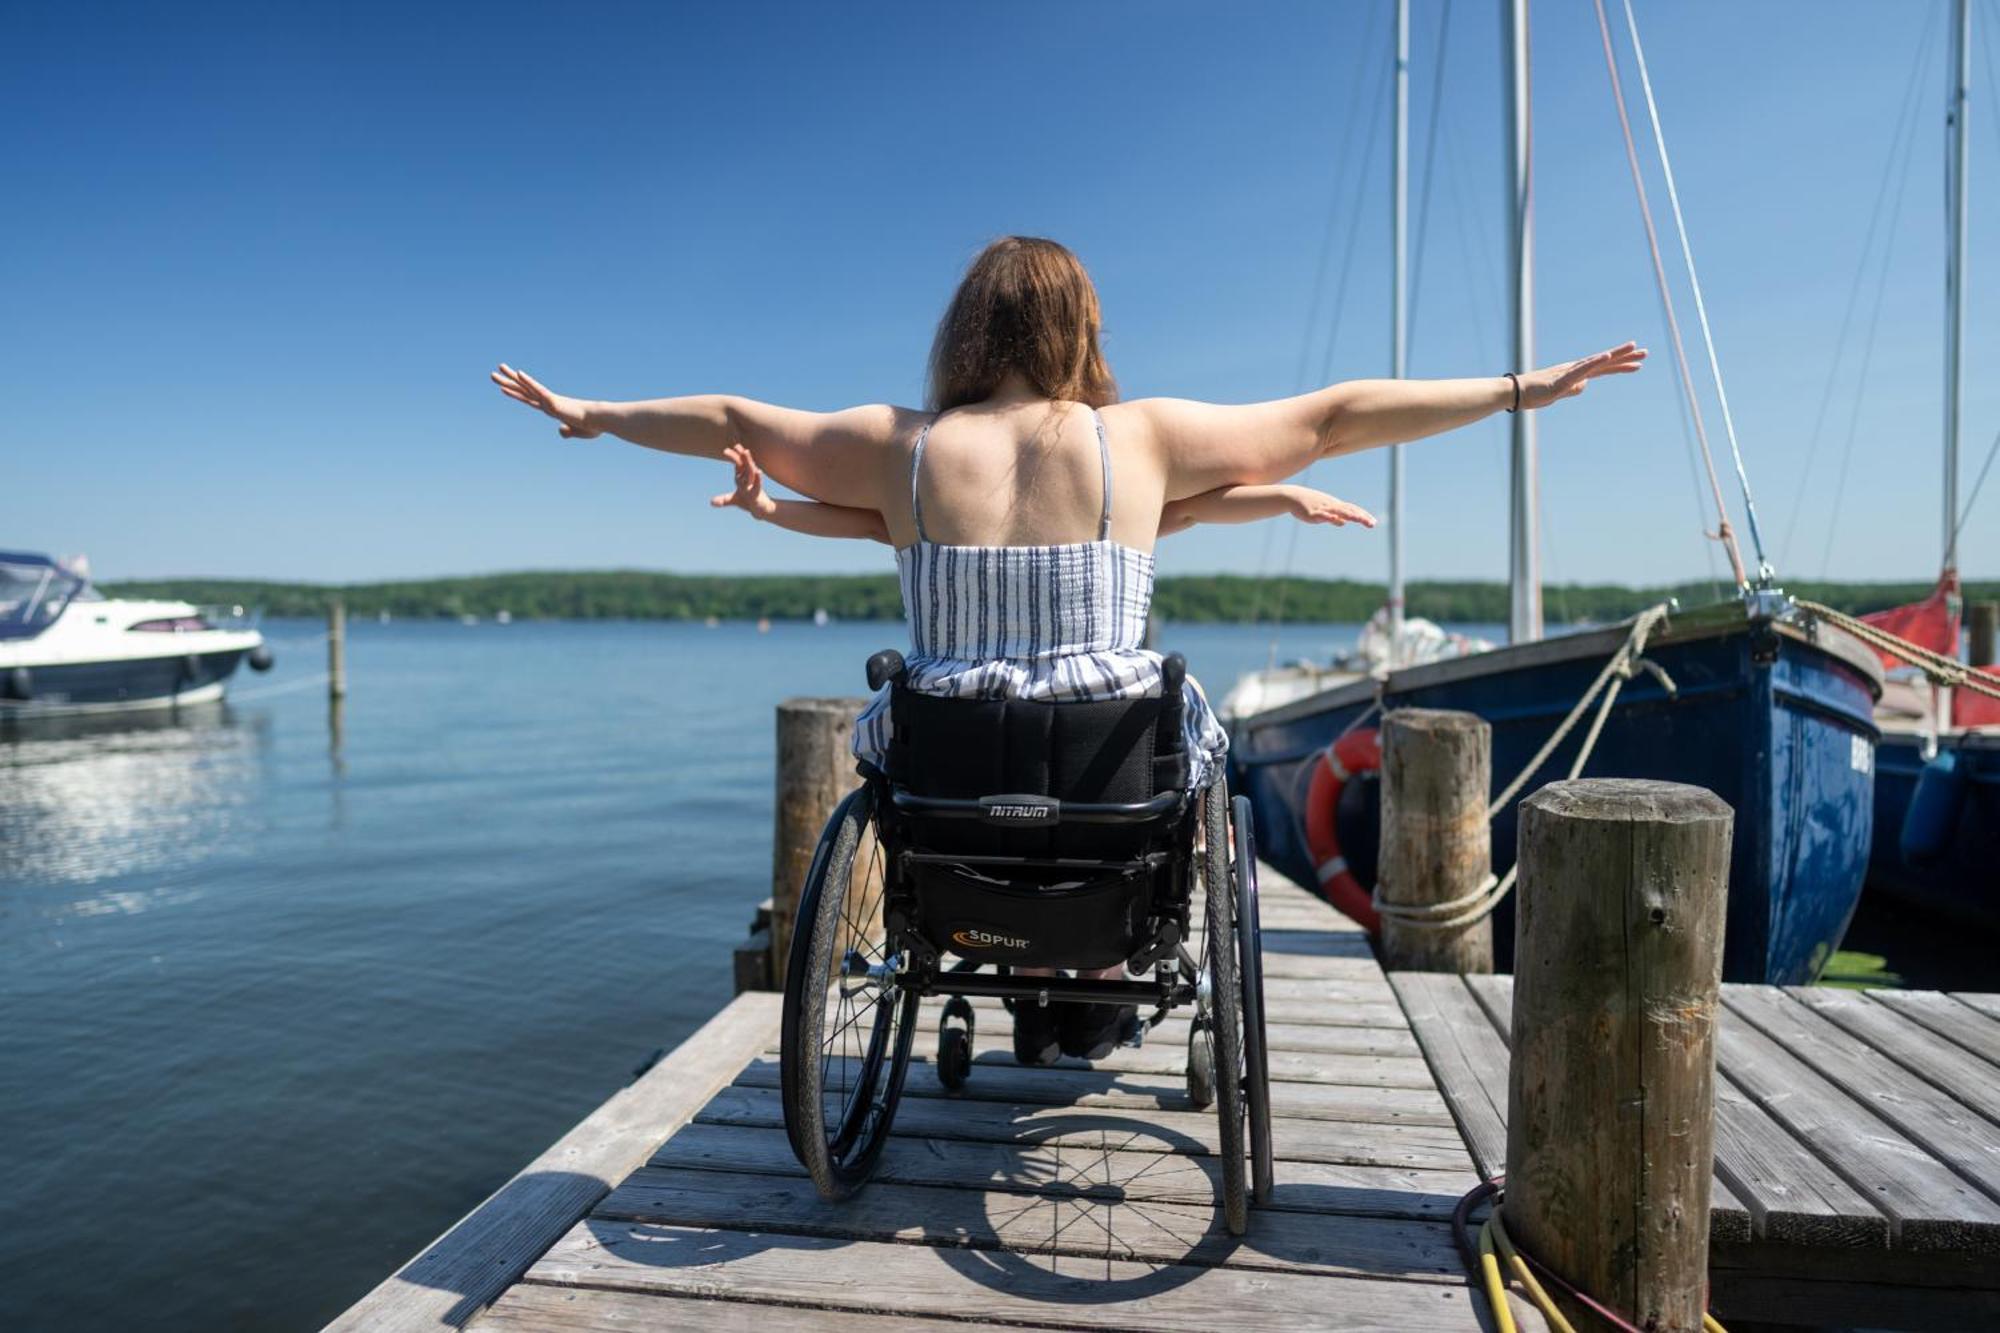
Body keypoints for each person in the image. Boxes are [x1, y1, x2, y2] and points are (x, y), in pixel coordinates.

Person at [492, 234, 1643, 1061]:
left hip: (951, 794)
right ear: (1078, 329)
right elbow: (1338, 414)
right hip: (1104, 789)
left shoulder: (901, 449)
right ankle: (1094, 984)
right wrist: (1512, 390)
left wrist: (596, 416)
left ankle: (1023, 980)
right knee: (1183, 752)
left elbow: (736, 420)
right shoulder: (1136, 438)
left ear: (965, 332)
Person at [706, 440, 1378, 543]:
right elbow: (1200, 506)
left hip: (955, 738)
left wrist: (766, 508)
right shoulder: (1112, 478)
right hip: (1098, 731)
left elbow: (858, 523)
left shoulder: (927, 481)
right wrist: (1285, 496)